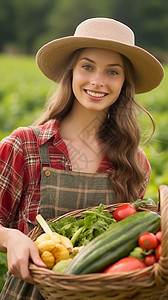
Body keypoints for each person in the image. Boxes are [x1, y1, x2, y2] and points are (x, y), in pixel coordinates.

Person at [0, 17, 164, 300]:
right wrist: (9, 236)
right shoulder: (24, 146)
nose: (97, 81)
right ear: (72, 72)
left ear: (125, 82)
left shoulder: (133, 162)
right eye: (87, 67)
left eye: (113, 72)